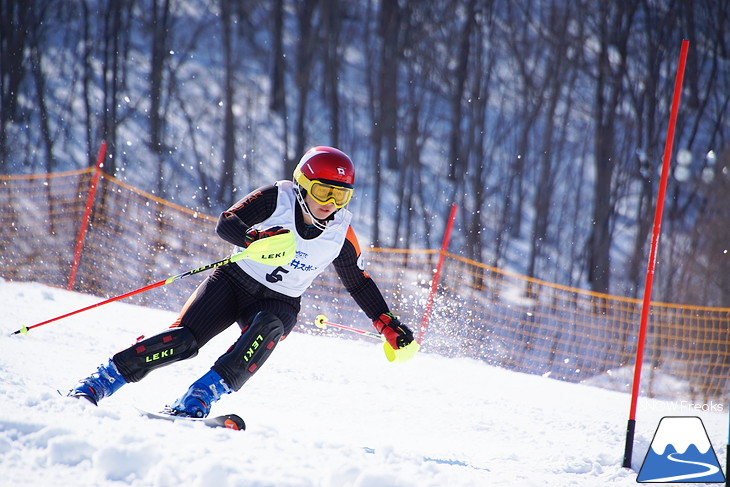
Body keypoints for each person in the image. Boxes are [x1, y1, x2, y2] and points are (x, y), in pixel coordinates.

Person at [69, 146, 418, 418]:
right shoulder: (275, 199)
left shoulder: (341, 234)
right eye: (323, 192)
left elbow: (358, 282)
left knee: (267, 327)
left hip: (279, 301)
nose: (330, 204)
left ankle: (199, 397)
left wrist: (384, 321)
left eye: (340, 196)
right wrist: (254, 239)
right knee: (183, 341)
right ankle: (100, 381)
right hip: (234, 282)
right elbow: (226, 223)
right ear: (303, 185)